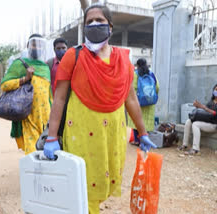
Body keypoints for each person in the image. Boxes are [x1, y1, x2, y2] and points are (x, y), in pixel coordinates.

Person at [42, 4, 156, 213]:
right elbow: (58, 99)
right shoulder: (73, 56)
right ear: (84, 27)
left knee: (102, 180)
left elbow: (130, 99)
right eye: (89, 22)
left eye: (100, 21)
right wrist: (51, 137)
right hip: (81, 133)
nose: (94, 25)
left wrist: (143, 132)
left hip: (112, 134)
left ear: (110, 27)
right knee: (81, 184)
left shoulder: (123, 59)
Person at [1, 34, 52, 155]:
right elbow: (5, 85)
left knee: (45, 153)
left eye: (40, 46)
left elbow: (49, 94)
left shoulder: (45, 67)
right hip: (28, 116)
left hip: (45, 118)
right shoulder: (19, 64)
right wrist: (25, 78)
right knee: (32, 153)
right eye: (34, 44)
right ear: (28, 46)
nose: (37, 48)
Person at [178, 83, 217, 155]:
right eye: (216, 89)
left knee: (196, 124)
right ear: (213, 91)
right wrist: (198, 107)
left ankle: (195, 150)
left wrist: (203, 107)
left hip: (216, 124)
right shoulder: (211, 102)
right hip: (208, 121)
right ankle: (184, 145)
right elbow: (205, 112)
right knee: (188, 121)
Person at [128, 58, 159, 146]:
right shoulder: (151, 74)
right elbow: (157, 87)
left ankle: (137, 140)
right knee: (147, 122)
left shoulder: (135, 74)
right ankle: (146, 139)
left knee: (136, 119)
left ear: (137, 65)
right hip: (150, 102)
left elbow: (132, 89)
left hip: (139, 102)